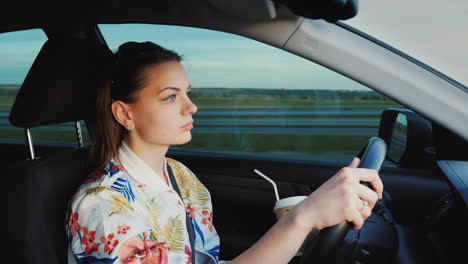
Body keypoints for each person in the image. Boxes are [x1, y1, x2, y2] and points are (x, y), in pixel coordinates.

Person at [66, 41, 383, 264]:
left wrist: (306, 224)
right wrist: (303, 219)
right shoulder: (104, 206)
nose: (191, 107)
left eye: (186, 94)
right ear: (125, 114)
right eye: (169, 97)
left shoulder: (180, 176)